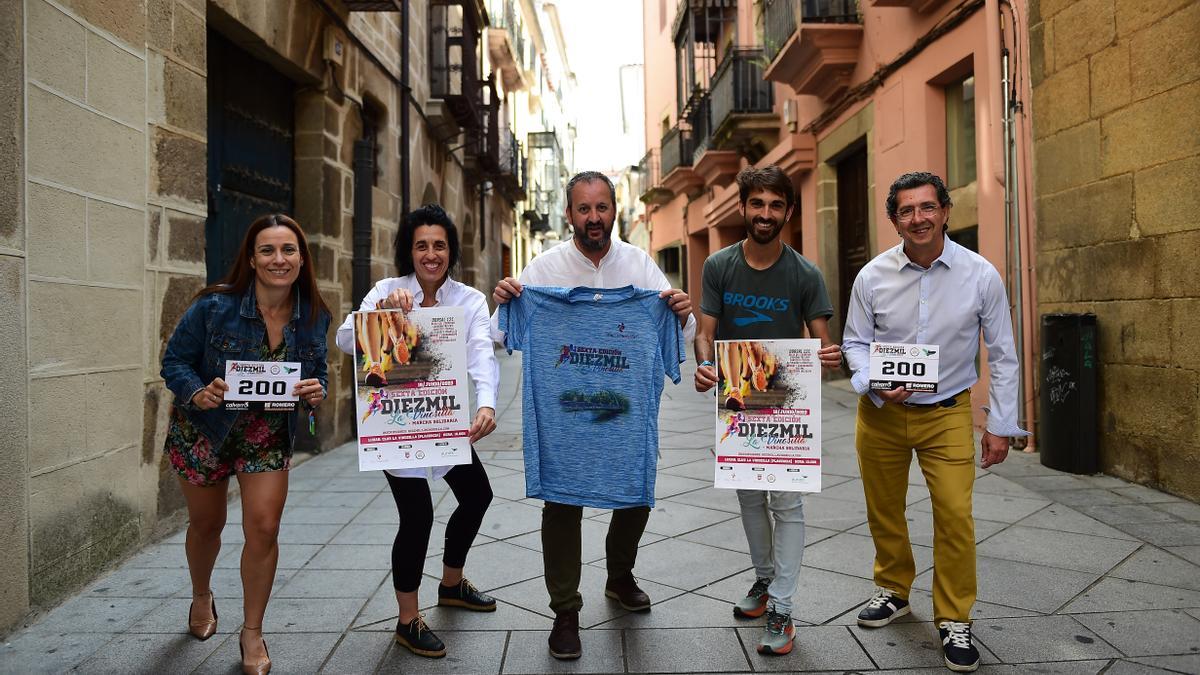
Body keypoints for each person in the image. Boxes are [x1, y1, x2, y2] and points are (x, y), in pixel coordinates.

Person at [491, 170, 695, 660]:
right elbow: (500, 338)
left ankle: (619, 576)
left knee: (636, 496)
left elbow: (678, 343)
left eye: (601, 207)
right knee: (562, 505)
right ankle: (565, 610)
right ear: (569, 215)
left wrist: (682, 313)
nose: (594, 217)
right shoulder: (542, 270)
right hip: (564, 424)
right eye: (584, 209)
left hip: (625, 419)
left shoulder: (641, 267)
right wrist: (503, 305)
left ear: (614, 210)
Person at [842, 172, 1029, 673]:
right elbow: (855, 343)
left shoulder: (980, 274)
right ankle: (893, 590)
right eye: (906, 211)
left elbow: (1004, 355)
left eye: (927, 207)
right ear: (894, 219)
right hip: (881, 414)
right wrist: (871, 381)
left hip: (947, 415)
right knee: (884, 510)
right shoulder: (872, 276)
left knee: (954, 516)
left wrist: (1000, 425)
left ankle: (954, 616)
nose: (918, 218)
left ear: (945, 211)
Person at [161, 213, 330, 675]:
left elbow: (319, 375)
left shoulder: (315, 314)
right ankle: (201, 594)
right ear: (252, 260)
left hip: (266, 436)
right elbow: (174, 361)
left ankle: (251, 631)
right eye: (268, 251)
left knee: (264, 527)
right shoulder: (214, 307)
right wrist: (198, 391)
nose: (280, 259)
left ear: (301, 258)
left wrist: (316, 392)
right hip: (205, 429)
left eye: (288, 250)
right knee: (207, 526)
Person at [335, 204, 498, 659]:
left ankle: (450, 584)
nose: (431, 254)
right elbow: (346, 340)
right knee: (418, 516)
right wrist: (382, 313)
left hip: (441, 420)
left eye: (440, 245)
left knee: (478, 495)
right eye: (422, 245)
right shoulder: (385, 290)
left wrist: (486, 402)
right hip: (396, 425)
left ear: (451, 251)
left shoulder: (469, 300)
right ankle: (407, 621)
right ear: (410, 250)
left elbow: (481, 352)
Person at [693, 165, 842, 656]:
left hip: (786, 395)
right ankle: (763, 580)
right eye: (757, 203)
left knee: (787, 503)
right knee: (750, 498)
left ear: (789, 212)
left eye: (776, 205)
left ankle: (783, 606)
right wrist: (702, 363)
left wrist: (828, 355)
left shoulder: (805, 273)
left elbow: (823, 341)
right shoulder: (718, 266)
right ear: (743, 208)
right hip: (737, 391)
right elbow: (706, 331)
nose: (765, 213)